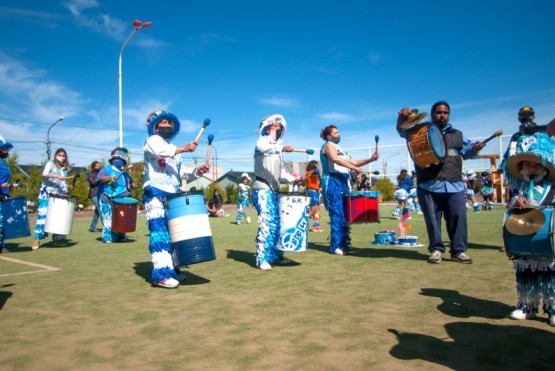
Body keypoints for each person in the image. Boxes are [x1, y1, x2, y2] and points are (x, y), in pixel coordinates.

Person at [396, 102, 485, 264]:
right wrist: (401, 117)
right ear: (432, 114)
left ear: (449, 115)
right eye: (438, 112)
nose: (442, 115)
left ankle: (458, 251)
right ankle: (436, 250)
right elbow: (402, 130)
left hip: (455, 183)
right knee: (432, 220)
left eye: (445, 112)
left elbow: (469, 152)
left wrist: (475, 149)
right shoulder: (419, 131)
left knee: (458, 218)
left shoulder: (458, 134)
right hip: (429, 184)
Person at [143, 109, 209, 288]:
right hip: (155, 192)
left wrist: (197, 171)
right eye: (163, 122)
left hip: (172, 196)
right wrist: (184, 148)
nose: (167, 125)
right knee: (160, 234)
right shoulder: (152, 141)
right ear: (155, 126)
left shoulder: (175, 152)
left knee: (173, 235)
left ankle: (173, 270)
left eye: (169, 122)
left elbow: (181, 173)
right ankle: (161, 274)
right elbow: (161, 151)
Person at [504, 132, 555, 327]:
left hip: (547, 242)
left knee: (550, 277)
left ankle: (552, 308)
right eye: (527, 165)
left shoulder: (552, 188)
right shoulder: (520, 189)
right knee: (526, 276)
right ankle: (527, 306)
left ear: (545, 168)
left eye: (536, 165)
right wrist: (517, 201)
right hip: (524, 239)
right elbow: (512, 205)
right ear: (521, 168)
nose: (532, 168)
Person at [320, 125, 379, 255]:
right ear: (329, 136)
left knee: (345, 213)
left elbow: (356, 161)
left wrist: (371, 159)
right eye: (335, 132)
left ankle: (344, 243)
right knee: (337, 212)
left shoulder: (340, 149)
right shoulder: (329, 145)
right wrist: (354, 168)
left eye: (338, 132)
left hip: (343, 181)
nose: (338, 134)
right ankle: (336, 245)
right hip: (332, 180)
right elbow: (335, 159)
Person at [252, 114, 300, 270]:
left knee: (275, 224)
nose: (278, 128)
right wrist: (282, 148)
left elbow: (280, 173)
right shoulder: (262, 142)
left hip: (274, 191)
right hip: (262, 189)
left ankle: (273, 255)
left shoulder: (277, 150)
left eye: (280, 126)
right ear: (267, 128)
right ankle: (262, 258)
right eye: (275, 126)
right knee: (267, 223)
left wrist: (294, 180)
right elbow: (262, 148)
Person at [32, 148, 73, 250]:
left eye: (63, 155)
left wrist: (68, 187)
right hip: (46, 194)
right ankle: (37, 240)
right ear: (55, 155)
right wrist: (57, 176)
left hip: (59, 195)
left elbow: (63, 184)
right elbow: (45, 173)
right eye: (59, 155)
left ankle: (58, 240)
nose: (61, 157)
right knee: (43, 216)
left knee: (59, 218)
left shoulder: (65, 169)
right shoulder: (50, 163)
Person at [97, 147, 132, 244]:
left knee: (122, 218)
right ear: (112, 159)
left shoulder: (124, 173)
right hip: (107, 198)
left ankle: (121, 236)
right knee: (108, 218)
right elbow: (100, 178)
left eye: (121, 159)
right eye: (117, 158)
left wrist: (133, 185)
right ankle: (107, 237)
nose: (118, 160)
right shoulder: (106, 168)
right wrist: (111, 178)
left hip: (121, 200)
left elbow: (128, 184)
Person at [499, 106, 547, 173]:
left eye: (529, 115)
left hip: (540, 171)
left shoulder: (542, 134)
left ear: (533, 117)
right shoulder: (516, 136)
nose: (526, 117)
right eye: (523, 115)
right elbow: (509, 153)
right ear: (519, 119)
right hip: (521, 172)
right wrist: (502, 167)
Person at [0, 135, 14, 253]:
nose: (6, 150)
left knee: (2, 220)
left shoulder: (2, 163)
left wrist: (9, 186)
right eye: (3, 148)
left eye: (6, 148)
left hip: (3, 195)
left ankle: (1, 244)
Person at [305, 160, 324, 232]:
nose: (318, 165)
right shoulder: (310, 172)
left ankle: (316, 226)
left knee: (317, 210)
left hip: (316, 192)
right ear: (314, 165)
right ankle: (303, 221)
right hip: (311, 191)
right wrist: (315, 171)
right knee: (313, 210)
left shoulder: (316, 173)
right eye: (317, 164)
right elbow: (313, 173)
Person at [87, 161, 103, 232]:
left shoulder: (102, 174)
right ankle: (106, 226)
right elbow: (93, 183)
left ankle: (92, 227)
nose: (98, 168)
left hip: (101, 194)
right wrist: (99, 178)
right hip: (93, 194)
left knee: (97, 211)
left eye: (99, 166)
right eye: (97, 166)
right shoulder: (90, 174)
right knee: (101, 209)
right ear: (93, 167)